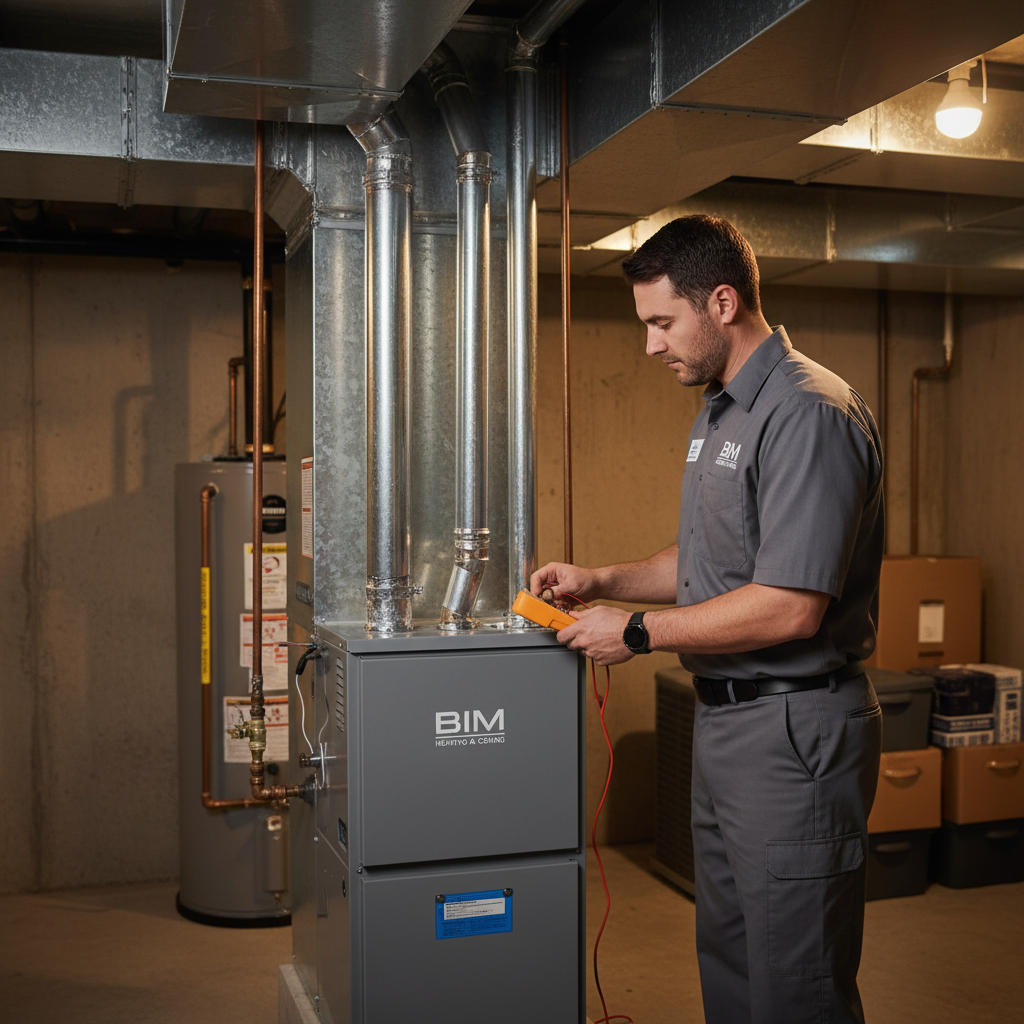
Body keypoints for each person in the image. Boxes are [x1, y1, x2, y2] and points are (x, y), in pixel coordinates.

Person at [531, 215, 884, 1024]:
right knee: (730, 963)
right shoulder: (724, 409)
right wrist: (603, 579)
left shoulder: (809, 414)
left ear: (722, 301)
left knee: (795, 983)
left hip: (793, 735)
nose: (651, 345)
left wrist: (638, 632)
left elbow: (791, 605)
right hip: (726, 727)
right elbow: (709, 562)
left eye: (662, 322)